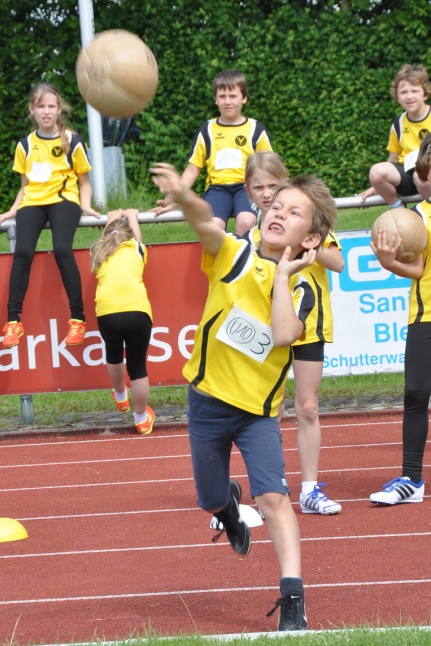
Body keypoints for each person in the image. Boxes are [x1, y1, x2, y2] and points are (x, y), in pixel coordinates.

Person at [151, 161, 337, 631]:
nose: (278, 213)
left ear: (312, 240)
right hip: (208, 403)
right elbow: (200, 220)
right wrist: (184, 195)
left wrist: (280, 277)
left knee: (275, 498)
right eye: (276, 205)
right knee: (209, 500)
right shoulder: (233, 255)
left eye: (294, 213)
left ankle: (293, 601)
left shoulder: (303, 291)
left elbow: (280, 335)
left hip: (257, 416)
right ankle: (227, 509)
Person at [244, 151, 344, 515]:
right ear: (249, 191)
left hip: (309, 324)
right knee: (265, 406)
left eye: (274, 186)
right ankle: (270, 486)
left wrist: (309, 246)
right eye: (260, 188)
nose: (268, 195)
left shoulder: (311, 229)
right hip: (265, 325)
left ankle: (310, 489)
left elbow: (339, 263)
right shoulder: (255, 232)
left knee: (308, 406)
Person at [0, 82, 100, 348]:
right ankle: (13, 323)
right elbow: (25, 186)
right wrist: (11, 211)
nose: (46, 111)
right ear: (32, 109)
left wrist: (87, 205)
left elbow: (84, 181)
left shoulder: (72, 140)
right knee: (22, 253)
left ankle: (77, 319)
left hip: (63, 200)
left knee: (62, 250)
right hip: (33, 201)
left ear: (59, 109)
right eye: (40, 106)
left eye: (51, 106)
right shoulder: (24, 145)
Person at [369, 132, 431, 505]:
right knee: (415, 393)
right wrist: (389, 261)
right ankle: (412, 480)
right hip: (424, 314)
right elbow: (419, 268)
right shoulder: (418, 216)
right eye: (427, 173)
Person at [151, 70, 272, 236]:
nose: (227, 101)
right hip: (217, 188)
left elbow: (269, 166)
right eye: (222, 96)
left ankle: (245, 260)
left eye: (233, 96)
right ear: (215, 99)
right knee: (214, 226)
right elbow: (193, 169)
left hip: (247, 188)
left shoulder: (255, 129)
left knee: (246, 222)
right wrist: (175, 197)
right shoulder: (206, 130)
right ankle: (222, 260)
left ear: (244, 98)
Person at [90, 208, 155, 435]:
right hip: (137, 311)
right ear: (129, 237)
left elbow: (107, 237)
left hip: (107, 313)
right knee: (137, 367)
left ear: (108, 235)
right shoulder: (136, 249)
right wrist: (134, 217)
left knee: (113, 352)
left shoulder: (98, 251)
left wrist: (110, 219)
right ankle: (141, 419)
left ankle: (120, 396)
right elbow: (137, 238)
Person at [359, 64, 431, 208]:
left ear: (425, 94)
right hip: (408, 173)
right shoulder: (398, 123)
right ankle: (398, 207)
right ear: (397, 97)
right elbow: (392, 160)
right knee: (376, 172)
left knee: (421, 176)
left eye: (414, 91)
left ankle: (426, 212)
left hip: (427, 173)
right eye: (403, 92)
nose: (409, 96)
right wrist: (376, 187)